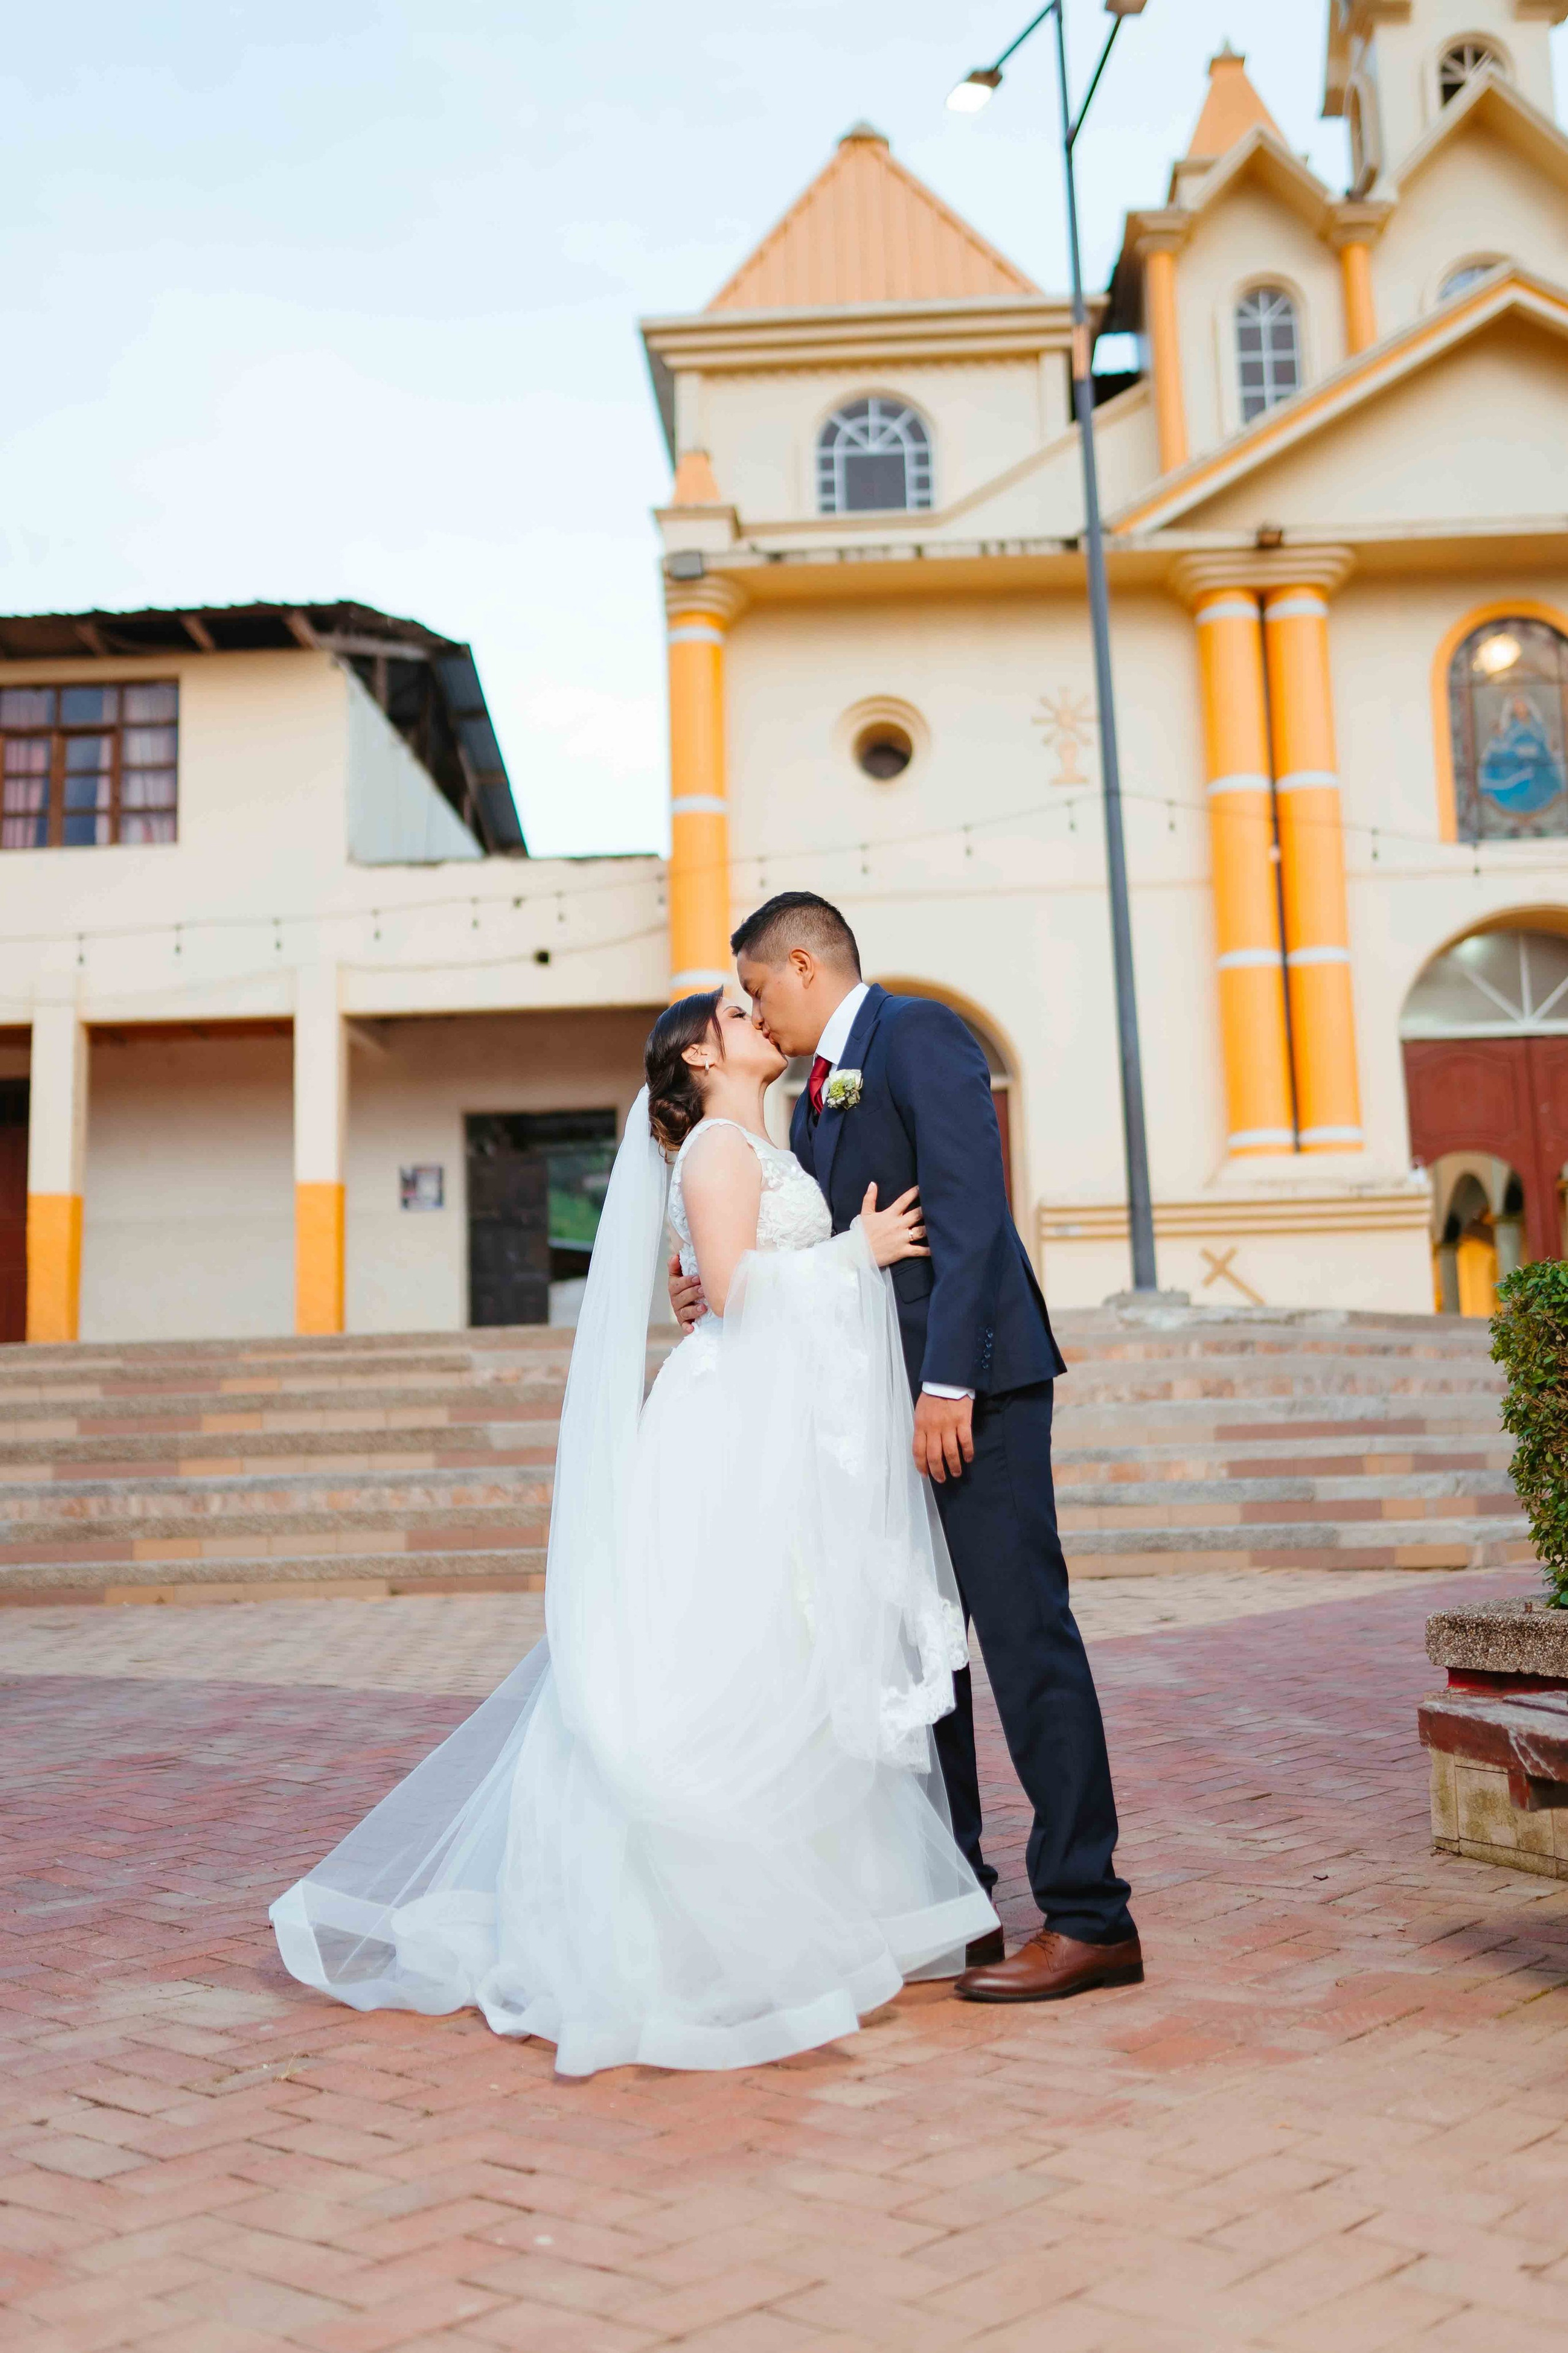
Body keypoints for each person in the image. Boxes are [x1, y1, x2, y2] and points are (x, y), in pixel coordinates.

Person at [270, 989, 998, 2076]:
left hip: (777, 1422)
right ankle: (692, 1934)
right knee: (725, 1651)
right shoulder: (712, 1144)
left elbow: (725, 1277)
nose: (759, 1018)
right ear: (703, 1054)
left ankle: (826, 1912)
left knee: (785, 1649)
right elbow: (744, 1294)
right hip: (727, 1434)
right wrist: (861, 1251)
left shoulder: (768, 1135)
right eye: (738, 1011)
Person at [669, 893, 1140, 2003]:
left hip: (973, 1393)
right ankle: (958, 1899)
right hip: (875, 1407)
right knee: (922, 1655)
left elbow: (972, 1215)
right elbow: (822, 1248)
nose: (752, 1012)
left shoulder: (917, 1035)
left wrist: (949, 1384)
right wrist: (719, 1285)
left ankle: (1088, 1914)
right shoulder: (816, 1104)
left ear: (797, 964)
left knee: (1025, 1638)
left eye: (753, 989)